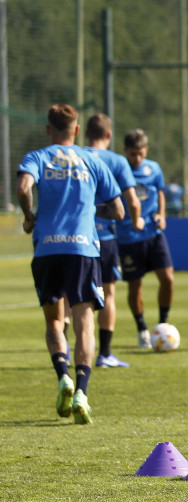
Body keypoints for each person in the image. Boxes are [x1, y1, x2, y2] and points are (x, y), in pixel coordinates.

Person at [17, 104, 126, 423]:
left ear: (48, 129)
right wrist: (90, 212)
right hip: (84, 249)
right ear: (77, 130)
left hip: (47, 249)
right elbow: (119, 211)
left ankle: (62, 375)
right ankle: (81, 390)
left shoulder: (37, 157)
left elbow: (24, 187)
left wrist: (28, 216)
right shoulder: (93, 159)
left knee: (54, 322)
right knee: (84, 322)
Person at [83, 114, 145, 368]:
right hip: (106, 237)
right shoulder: (117, 161)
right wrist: (137, 221)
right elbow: (132, 201)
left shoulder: (75, 155)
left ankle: (63, 352)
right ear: (109, 135)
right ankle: (104, 354)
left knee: (70, 296)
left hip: (78, 236)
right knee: (108, 293)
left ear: (85, 134)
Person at [117, 129, 175, 349]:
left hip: (153, 233)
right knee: (135, 287)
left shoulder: (154, 168)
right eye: (133, 154)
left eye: (140, 153)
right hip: (128, 237)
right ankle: (141, 328)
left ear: (146, 150)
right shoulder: (119, 170)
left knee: (168, 279)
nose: (137, 158)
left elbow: (160, 191)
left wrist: (162, 214)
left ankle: (162, 324)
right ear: (125, 152)